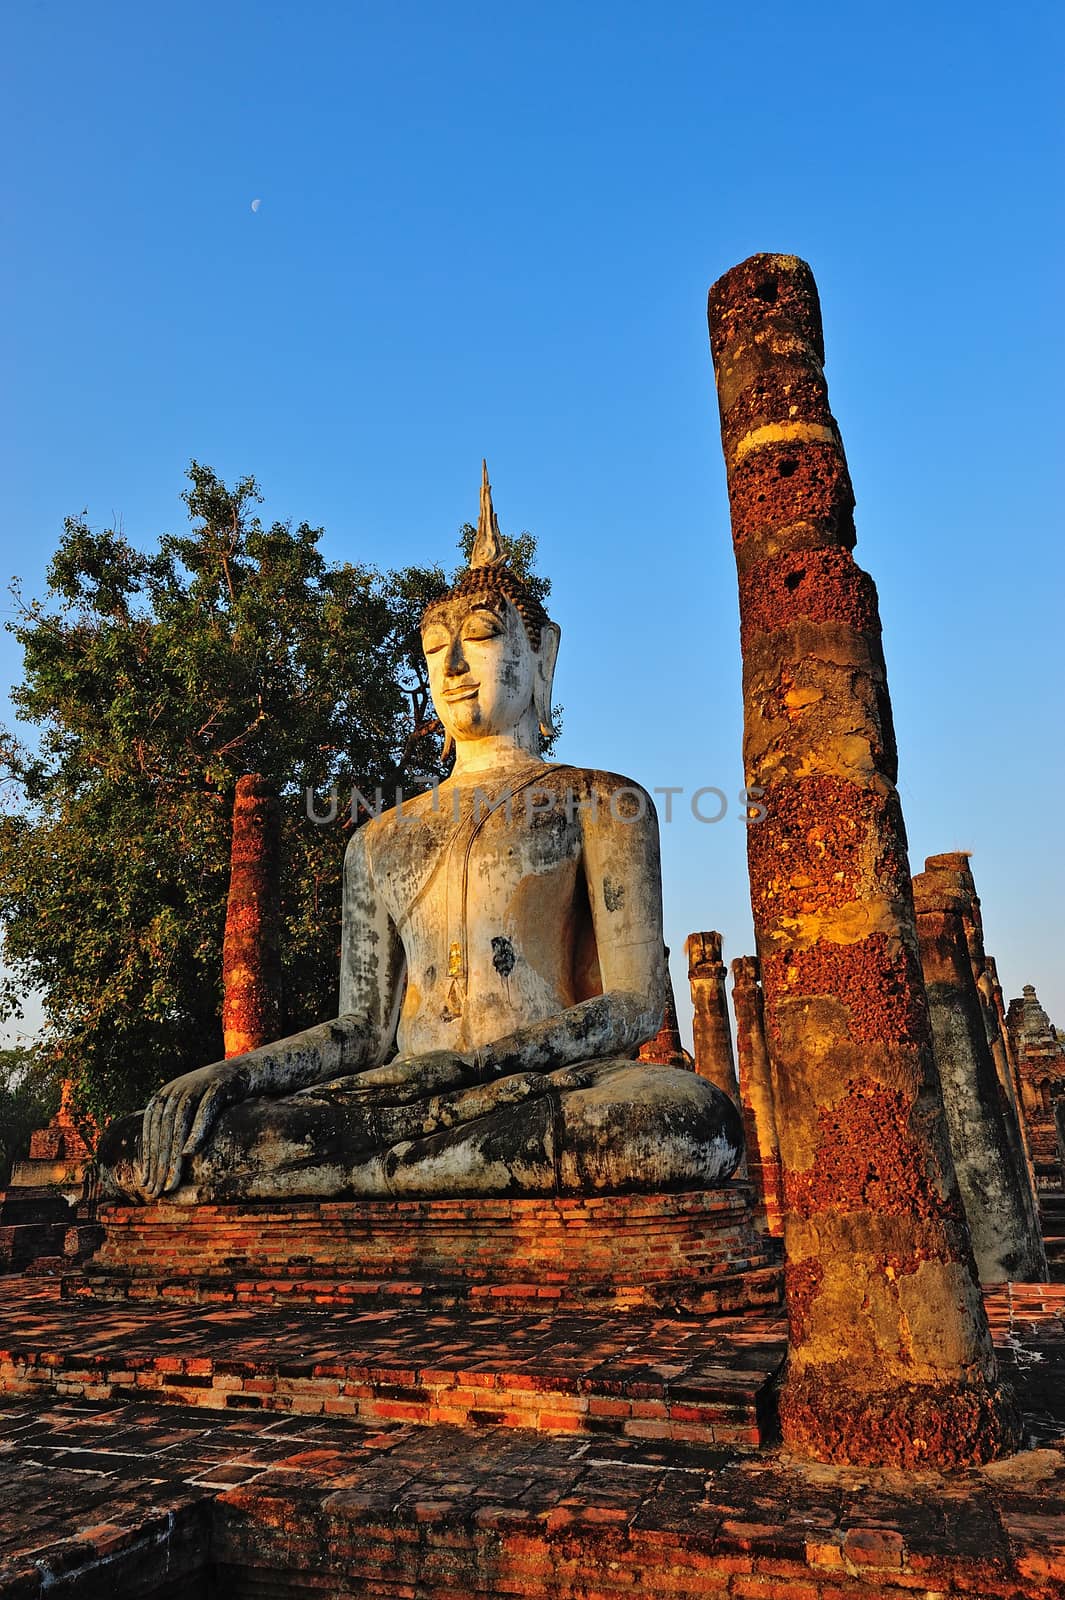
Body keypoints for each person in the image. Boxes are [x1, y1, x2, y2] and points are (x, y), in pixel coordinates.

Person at [99, 466, 742, 1202]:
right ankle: (400, 1170)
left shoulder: (599, 801)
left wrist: (475, 1067)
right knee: (148, 1138)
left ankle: (374, 1176)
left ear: (543, 657)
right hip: (396, 1097)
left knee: (681, 1123)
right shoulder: (377, 840)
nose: (455, 667)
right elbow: (363, 1031)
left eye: (479, 637)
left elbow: (633, 1004)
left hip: (541, 1089)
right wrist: (230, 1073)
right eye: (436, 649)